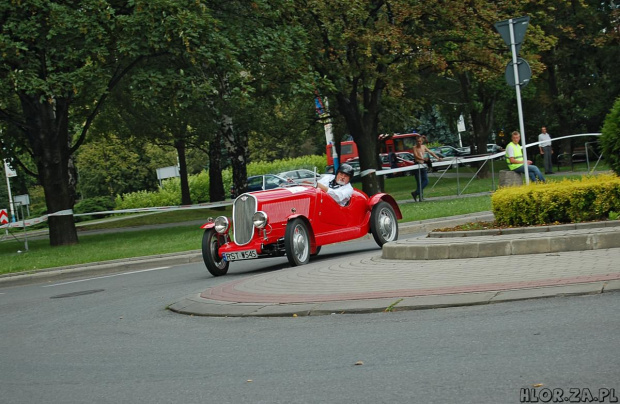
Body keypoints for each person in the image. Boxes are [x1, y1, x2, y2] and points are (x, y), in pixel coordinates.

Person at [411, 136, 442, 201]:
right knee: (419, 182)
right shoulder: (414, 148)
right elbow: (416, 156)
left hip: (423, 165)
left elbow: (431, 152)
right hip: (417, 165)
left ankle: (415, 193)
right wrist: (423, 159)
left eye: (420, 141)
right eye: (417, 141)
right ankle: (420, 197)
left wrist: (437, 158)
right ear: (416, 142)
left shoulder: (424, 147)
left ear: (422, 141)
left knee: (426, 181)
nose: (419, 143)